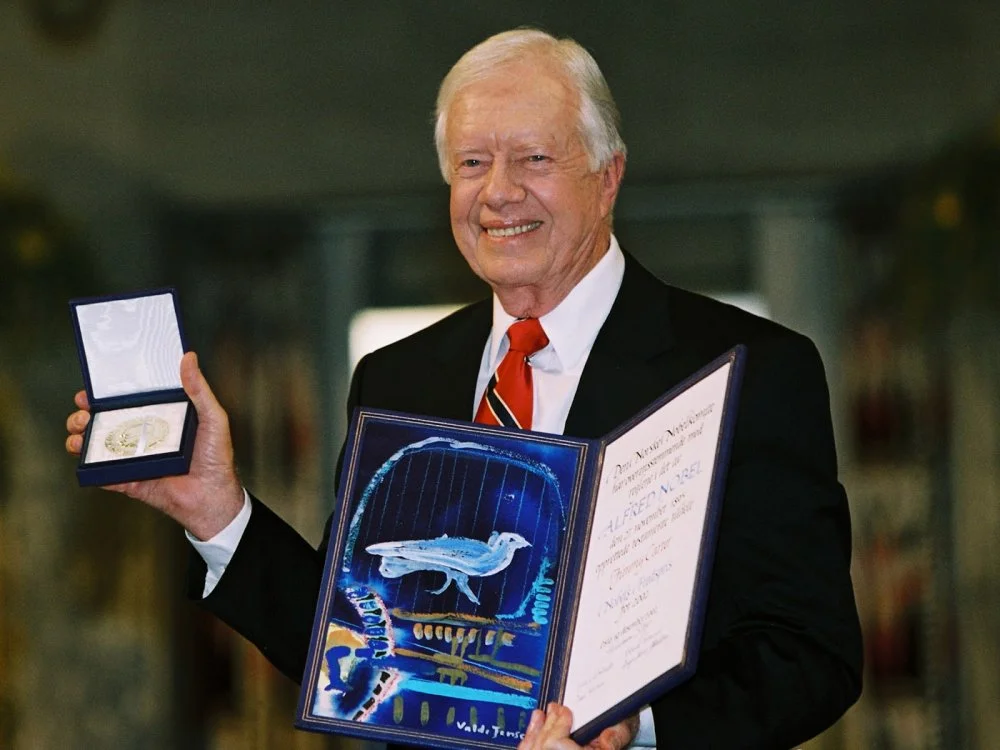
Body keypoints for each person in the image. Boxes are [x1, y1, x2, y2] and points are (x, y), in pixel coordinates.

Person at [66, 28, 862, 750]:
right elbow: (359, 630)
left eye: (535, 159)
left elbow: (808, 654)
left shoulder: (746, 367)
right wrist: (216, 508)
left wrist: (636, 730)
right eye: (473, 163)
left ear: (609, 176)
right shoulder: (400, 375)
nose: (499, 192)